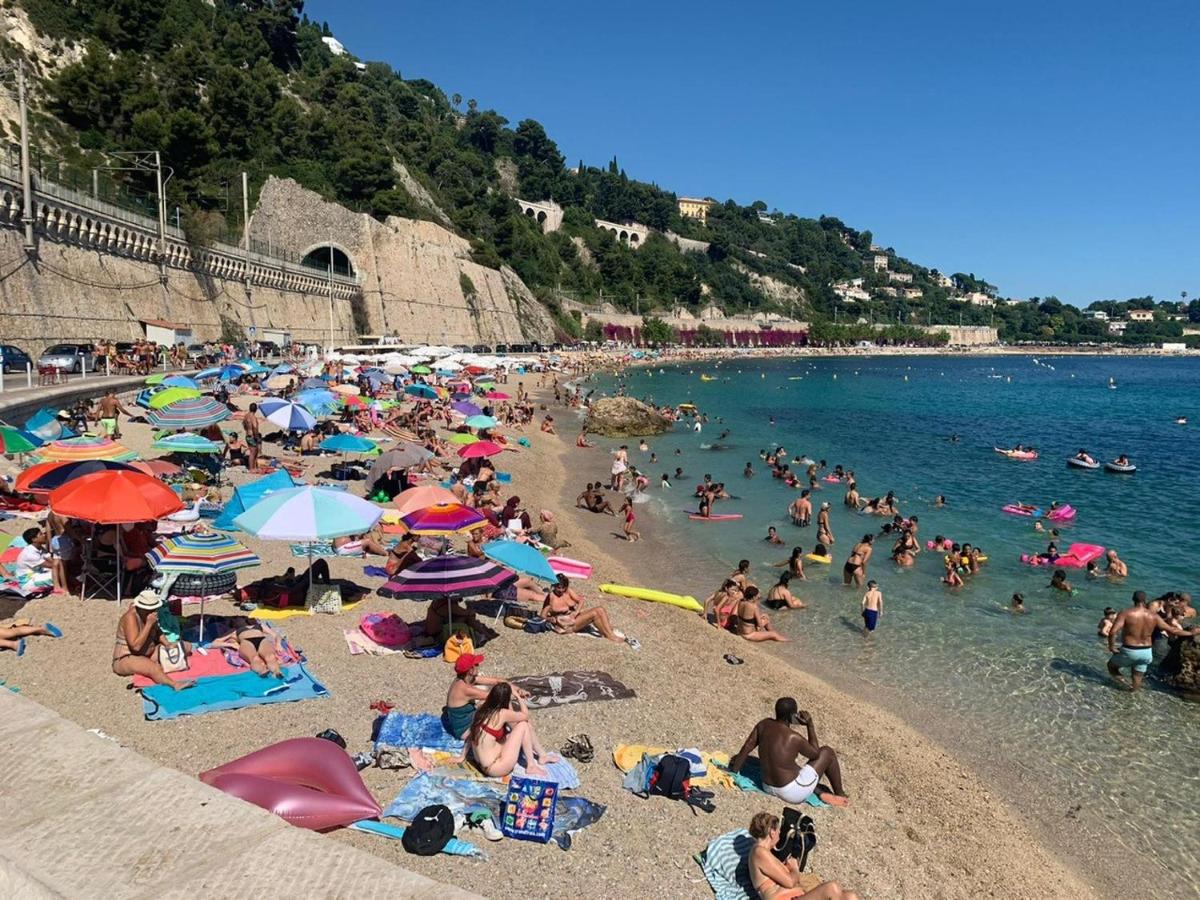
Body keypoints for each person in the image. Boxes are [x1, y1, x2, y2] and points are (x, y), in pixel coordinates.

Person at [730, 698, 848, 806]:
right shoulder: (793, 737)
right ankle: (840, 794)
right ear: (792, 716)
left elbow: (747, 746)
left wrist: (734, 771)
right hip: (791, 793)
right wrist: (810, 726)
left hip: (766, 786)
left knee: (787, 765)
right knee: (827, 752)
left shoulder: (763, 724)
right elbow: (816, 754)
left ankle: (819, 791)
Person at [747, 812, 861, 900]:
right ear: (772, 832)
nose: (779, 835)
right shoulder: (759, 852)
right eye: (779, 831)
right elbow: (790, 882)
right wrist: (794, 868)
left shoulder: (765, 854)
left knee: (851, 896)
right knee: (832, 888)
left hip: (797, 896)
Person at [1107, 591, 1199, 691]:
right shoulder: (1154, 616)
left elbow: (1113, 632)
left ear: (1133, 599)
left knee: (1111, 667)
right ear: (1145, 600)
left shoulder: (1126, 613)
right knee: (1137, 677)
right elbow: (1172, 630)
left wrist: (1111, 646)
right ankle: (1133, 692)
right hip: (1147, 652)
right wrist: (1190, 633)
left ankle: (1125, 685)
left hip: (1130, 650)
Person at [466, 682, 556, 778]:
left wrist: (462, 757)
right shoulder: (502, 713)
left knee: (523, 728)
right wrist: (517, 696)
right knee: (524, 725)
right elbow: (525, 716)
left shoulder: (481, 709)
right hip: (496, 768)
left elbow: (470, 734)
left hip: (482, 764)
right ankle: (531, 766)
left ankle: (542, 755)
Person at [111, 590, 194, 690]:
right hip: (127, 657)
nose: (154, 611)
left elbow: (158, 632)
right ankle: (174, 685)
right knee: (153, 668)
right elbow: (136, 647)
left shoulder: (150, 615)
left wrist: (167, 644)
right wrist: (149, 624)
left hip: (149, 652)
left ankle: (157, 664)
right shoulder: (130, 617)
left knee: (185, 646)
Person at [442, 653, 526, 739]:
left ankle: (515, 726)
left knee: (490, 703)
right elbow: (497, 696)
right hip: (464, 730)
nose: (479, 665)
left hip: (469, 718)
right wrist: (515, 695)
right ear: (471, 670)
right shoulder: (465, 689)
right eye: (476, 664)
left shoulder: (464, 680)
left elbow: (497, 681)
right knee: (501, 703)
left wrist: (518, 689)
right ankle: (516, 729)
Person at [542, 575, 625, 644]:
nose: (561, 590)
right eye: (558, 587)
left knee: (600, 610)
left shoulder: (567, 591)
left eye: (563, 587)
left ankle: (608, 632)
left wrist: (576, 612)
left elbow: (580, 600)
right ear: (554, 585)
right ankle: (610, 635)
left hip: (574, 617)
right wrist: (550, 619)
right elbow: (542, 615)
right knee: (597, 611)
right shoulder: (551, 597)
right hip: (566, 624)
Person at [212, 617, 283, 677]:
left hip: (261, 640)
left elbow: (276, 635)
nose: (242, 619)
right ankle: (262, 673)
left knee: (270, 657)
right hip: (247, 642)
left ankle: (277, 673)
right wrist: (231, 645)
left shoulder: (259, 626)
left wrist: (278, 644)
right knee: (254, 659)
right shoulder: (234, 631)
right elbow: (214, 643)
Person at [243, 402, 261, 471]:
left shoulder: (246, 416)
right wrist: (256, 436)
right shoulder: (253, 417)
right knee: (253, 452)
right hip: (252, 436)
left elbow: (244, 425)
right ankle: (251, 468)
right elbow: (255, 427)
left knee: (253, 451)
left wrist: (248, 430)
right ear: (256, 409)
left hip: (247, 435)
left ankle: (254, 467)